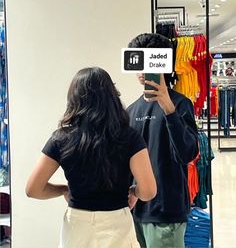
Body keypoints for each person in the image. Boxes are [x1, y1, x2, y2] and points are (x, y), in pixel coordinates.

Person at [26, 66, 157, 248]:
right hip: (118, 222)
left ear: (74, 99)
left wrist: (63, 190)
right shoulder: (129, 137)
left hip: (77, 226)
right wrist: (134, 192)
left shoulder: (61, 137)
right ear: (112, 96)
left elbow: (33, 189)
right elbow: (149, 191)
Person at [127, 33, 199, 248]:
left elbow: (188, 153)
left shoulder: (180, 104)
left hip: (167, 209)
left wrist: (169, 109)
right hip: (136, 209)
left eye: (148, 61)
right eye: (137, 62)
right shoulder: (131, 110)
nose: (141, 71)